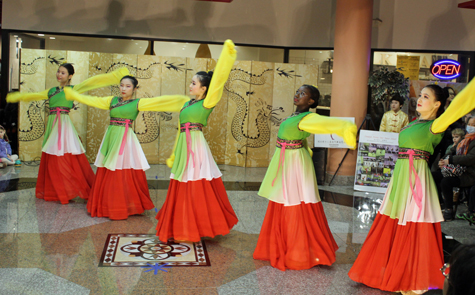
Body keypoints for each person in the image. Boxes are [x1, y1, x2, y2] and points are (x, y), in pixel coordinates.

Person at [348, 71, 475, 294]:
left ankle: (410, 274)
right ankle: (389, 268)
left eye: (426, 97)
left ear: (438, 104)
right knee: (394, 220)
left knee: (412, 222)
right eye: (420, 95)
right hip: (401, 176)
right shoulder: (411, 123)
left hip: (415, 178)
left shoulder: (436, 126)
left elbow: (457, 107)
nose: (420, 99)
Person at [253, 85, 357, 271]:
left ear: (311, 102)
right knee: (286, 199)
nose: (297, 95)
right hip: (289, 159)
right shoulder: (296, 116)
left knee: (293, 201)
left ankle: (298, 251)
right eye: (297, 92)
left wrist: (345, 128)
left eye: (303, 94)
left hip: (294, 163)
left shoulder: (308, 117)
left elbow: (326, 124)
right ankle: (285, 244)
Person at [64, 75, 190, 220]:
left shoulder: (137, 103)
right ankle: (107, 204)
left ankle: (124, 205)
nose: (123, 88)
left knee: (121, 170)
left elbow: (158, 102)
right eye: (121, 85)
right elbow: (92, 100)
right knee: (109, 169)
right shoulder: (112, 101)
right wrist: (74, 95)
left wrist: (180, 101)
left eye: (128, 86)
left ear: (135, 89)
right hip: (111, 137)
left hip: (125, 139)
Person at [7, 64, 129, 204]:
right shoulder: (52, 91)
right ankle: (56, 190)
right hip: (52, 125)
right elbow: (35, 95)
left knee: (63, 157)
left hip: (63, 125)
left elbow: (93, 82)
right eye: (58, 72)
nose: (59, 75)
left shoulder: (73, 89)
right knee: (53, 158)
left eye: (63, 73)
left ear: (70, 76)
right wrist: (19, 96)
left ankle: (68, 190)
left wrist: (115, 76)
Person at [155, 40, 238, 242]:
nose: (190, 85)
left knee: (194, 182)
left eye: (194, 83)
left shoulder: (207, 102)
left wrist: (227, 56)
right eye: (191, 82)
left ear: (203, 89)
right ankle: (181, 223)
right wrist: (175, 153)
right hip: (186, 144)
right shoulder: (187, 103)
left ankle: (195, 225)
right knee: (184, 181)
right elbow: (180, 130)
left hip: (196, 146)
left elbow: (218, 81)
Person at [434, 114, 475, 221]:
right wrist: (443, 160)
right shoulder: (465, 139)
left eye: (474, 125)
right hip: (457, 170)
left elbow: (470, 159)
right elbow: (452, 151)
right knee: (433, 176)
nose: (470, 126)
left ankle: (449, 210)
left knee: (446, 182)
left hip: (470, 174)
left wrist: (450, 161)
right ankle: (439, 203)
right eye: (469, 124)